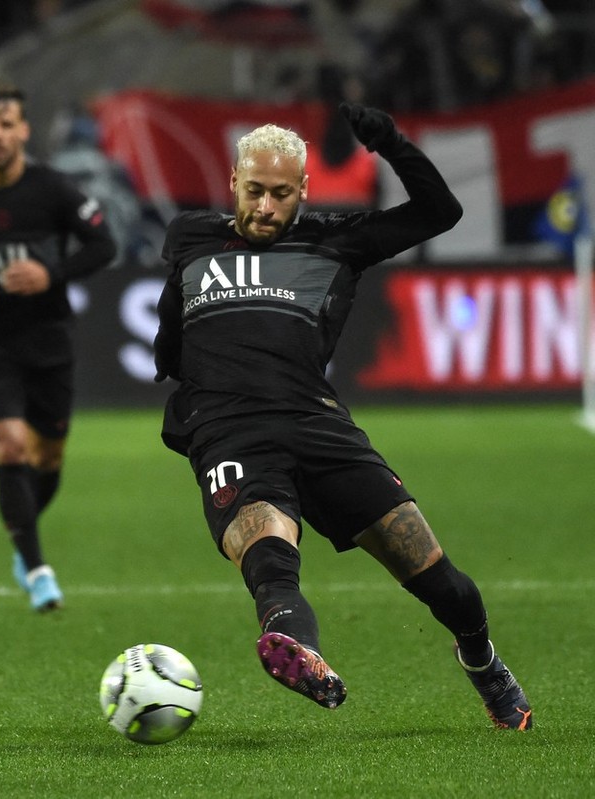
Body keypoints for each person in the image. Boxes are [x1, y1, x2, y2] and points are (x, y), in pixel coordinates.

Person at [152, 102, 533, 730]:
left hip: (317, 425)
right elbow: (175, 313)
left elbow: (442, 212)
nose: (266, 208)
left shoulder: (336, 239)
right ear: (233, 182)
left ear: (303, 189)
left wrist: (393, 143)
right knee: (269, 557)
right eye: (254, 191)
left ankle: (483, 660)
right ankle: (305, 656)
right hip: (229, 430)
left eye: (280, 194)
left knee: (442, 583)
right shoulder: (190, 234)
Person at [0, 81, 116, 612]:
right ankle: (36, 568)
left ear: (24, 130)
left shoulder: (54, 188)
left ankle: (20, 537)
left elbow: (105, 244)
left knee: (46, 458)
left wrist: (50, 273)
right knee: (8, 446)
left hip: (48, 337)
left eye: (8, 124)